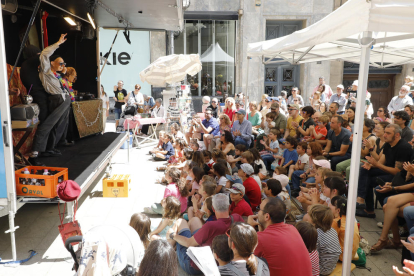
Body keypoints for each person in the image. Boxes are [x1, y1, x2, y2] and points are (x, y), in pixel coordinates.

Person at [170, 194, 244, 275]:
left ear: (213, 209)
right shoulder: (237, 218)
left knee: (180, 222)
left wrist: (172, 235)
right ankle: (172, 247)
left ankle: (168, 251)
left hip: (196, 266)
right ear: (229, 207)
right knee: (195, 220)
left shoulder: (211, 226)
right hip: (217, 261)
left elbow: (188, 243)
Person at [28, 34, 72, 165]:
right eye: (60, 62)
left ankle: (49, 148)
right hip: (57, 99)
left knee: (58, 125)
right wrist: (58, 43)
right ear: (51, 62)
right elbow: (44, 54)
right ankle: (35, 152)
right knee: (48, 124)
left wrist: (62, 70)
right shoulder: (46, 70)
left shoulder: (56, 75)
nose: (62, 65)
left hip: (64, 98)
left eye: (64, 63)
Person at [356, 124, 413, 218]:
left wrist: (376, 164)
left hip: (399, 177)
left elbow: (397, 171)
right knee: (364, 168)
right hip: (387, 171)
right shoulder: (388, 144)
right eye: (385, 132)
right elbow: (381, 162)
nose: (385, 135)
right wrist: (371, 165)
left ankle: (369, 209)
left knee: (369, 181)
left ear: (397, 135)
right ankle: (361, 200)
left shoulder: (403, 147)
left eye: (388, 133)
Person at [247, 197, 313, 275]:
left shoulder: (261, 239)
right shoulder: (292, 228)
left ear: (267, 216)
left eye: (259, 209)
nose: (258, 213)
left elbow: (245, 259)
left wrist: (249, 227)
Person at [307, 204, 342, 276]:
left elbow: (312, 253)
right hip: (332, 266)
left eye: (309, 215)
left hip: (322, 269)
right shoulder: (332, 230)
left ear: (315, 220)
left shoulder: (316, 233)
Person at [329, 196, 360, 261]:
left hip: (342, 256)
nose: (329, 205)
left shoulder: (336, 222)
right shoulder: (352, 219)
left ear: (338, 210)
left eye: (333, 205)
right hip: (352, 254)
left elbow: (329, 241)